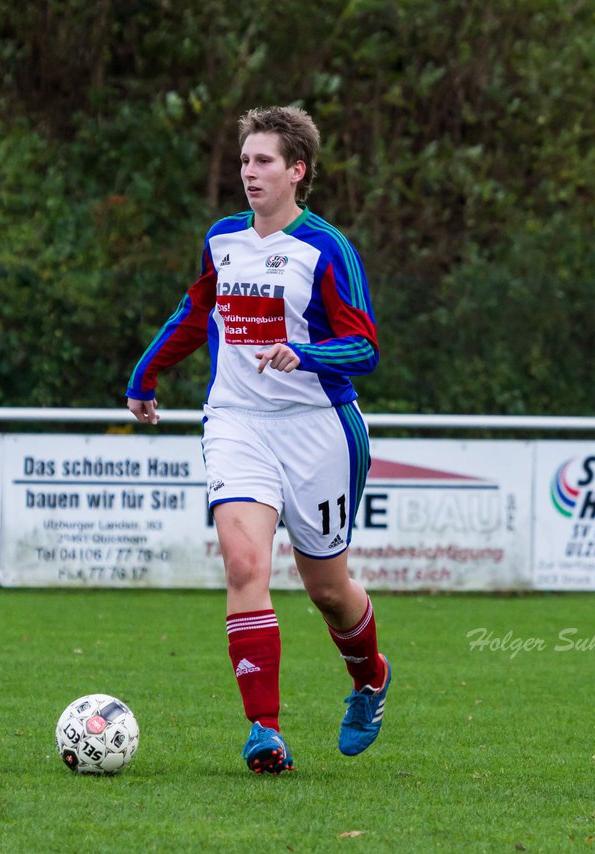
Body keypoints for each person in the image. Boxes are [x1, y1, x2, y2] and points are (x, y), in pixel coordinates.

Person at [126, 105, 388, 774]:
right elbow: (196, 311)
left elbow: (364, 347)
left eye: (264, 160)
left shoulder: (326, 248)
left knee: (327, 588)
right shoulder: (222, 240)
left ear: (296, 170)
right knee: (244, 565)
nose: (250, 171)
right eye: (245, 160)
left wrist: (306, 354)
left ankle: (370, 679)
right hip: (237, 421)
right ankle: (263, 731)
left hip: (317, 429)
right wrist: (146, 373)